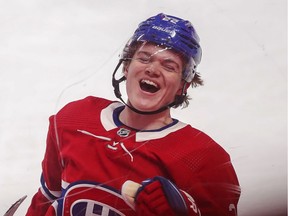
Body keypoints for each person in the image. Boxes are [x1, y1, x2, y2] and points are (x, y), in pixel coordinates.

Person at [26, 13, 241, 216]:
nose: (152, 69)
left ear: (183, 86)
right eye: (145, 58)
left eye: (169, 66)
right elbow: (46, 198)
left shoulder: (206, 160)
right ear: (126, 67)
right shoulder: (73, 119)